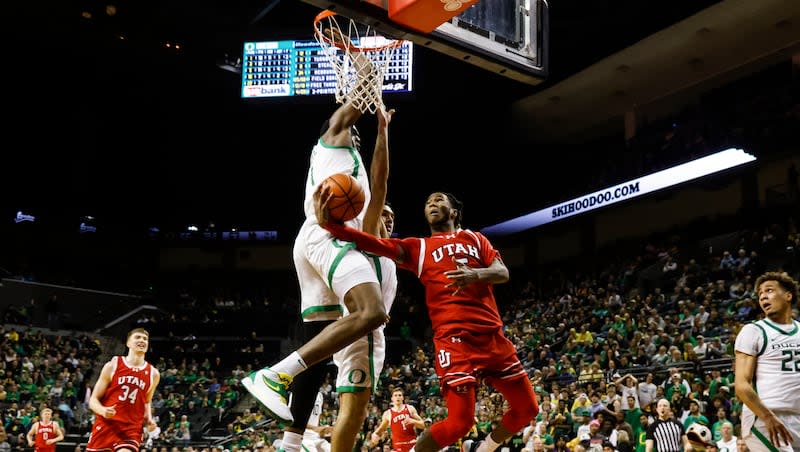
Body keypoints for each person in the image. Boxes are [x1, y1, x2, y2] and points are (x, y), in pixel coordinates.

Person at [240, 45, 394, 425]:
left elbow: (380, 178)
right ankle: (274, 375)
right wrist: (354, 53)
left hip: (321, 237)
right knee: (371, 312)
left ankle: (295, 437)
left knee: (324, 337)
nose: (354, 130)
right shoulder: (333, 137)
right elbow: (367, 84)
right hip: (325, 234)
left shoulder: (352, 166)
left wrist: (383, 133)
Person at [316, 190, 539, 452]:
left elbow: (502, 272)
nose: (432, 204)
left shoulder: (475, 239)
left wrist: (475, 274)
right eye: (428, 202)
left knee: (528, 408)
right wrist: (329, 225)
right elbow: (374, 244)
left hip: (491, 336)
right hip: (454, 340)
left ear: (454, 212)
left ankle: (485, 448)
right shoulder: (419, 248)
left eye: (438, 200)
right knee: (460, 422)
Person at [734, 271, 800, 451]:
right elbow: (741, 385)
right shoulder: (753, 331)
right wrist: (767, 416)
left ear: (788, 295)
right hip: (764, 418)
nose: (763, 296)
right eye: (760, 294)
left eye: (769, 290)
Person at [86, 328, 160, 452]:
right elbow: (93, 400)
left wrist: (149, 419)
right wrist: (103, 410)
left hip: (130, 429)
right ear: (128, 343)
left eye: (145, 339)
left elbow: (146, 401)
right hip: (107, 425)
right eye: (138, 337)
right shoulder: (113, 365)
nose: (142, 340)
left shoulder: (153, 374)